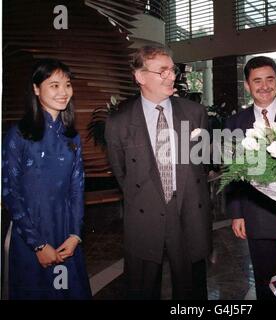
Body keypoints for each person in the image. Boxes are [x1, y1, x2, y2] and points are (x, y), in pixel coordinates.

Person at [105, 45, 212, 300]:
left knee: (191, 290)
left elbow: (203, 163)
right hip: (145, 212)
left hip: (187, 210)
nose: (171, 76)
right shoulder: (119, 123)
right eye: (162, 71)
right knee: (142, 288)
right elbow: (122, 174)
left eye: (172, 70)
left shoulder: (195, 113)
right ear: (140, 77)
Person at [2, 58, 91, 299]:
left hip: (65, 231)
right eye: (54, 85)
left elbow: (76, 189)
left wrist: (75, 235)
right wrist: (38, 245)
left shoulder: (72, 138)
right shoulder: (17, 135)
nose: (64, 92)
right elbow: (9, 191)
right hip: (29, 231)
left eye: (68, 85)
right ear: (35, 88)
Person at [225, 56, 276, 300]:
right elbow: (231, 172)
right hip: (257, 213)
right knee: (265, 279)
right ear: (247, 85)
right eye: (257, 81)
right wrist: (237, 213)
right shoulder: (234, 123)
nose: (264, 86)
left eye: (269, 79)